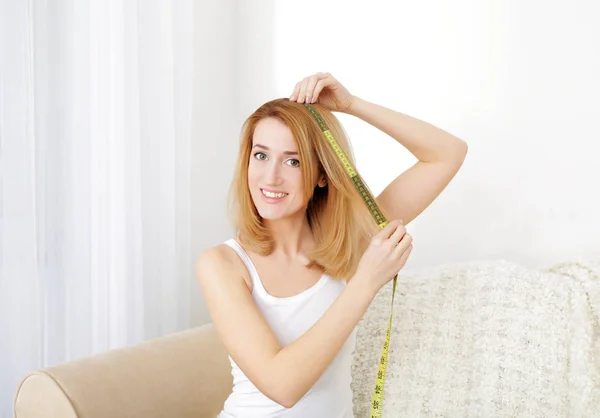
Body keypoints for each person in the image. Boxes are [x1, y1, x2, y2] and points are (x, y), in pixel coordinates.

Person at [196, 72, 468, 417]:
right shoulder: (223, 264)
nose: (271, 176)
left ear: (323, 174)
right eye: (261, 155)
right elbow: (283, 387)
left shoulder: (348, 242)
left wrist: (352, 106)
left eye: (293, 161)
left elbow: (447, 154)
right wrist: (366, 282)